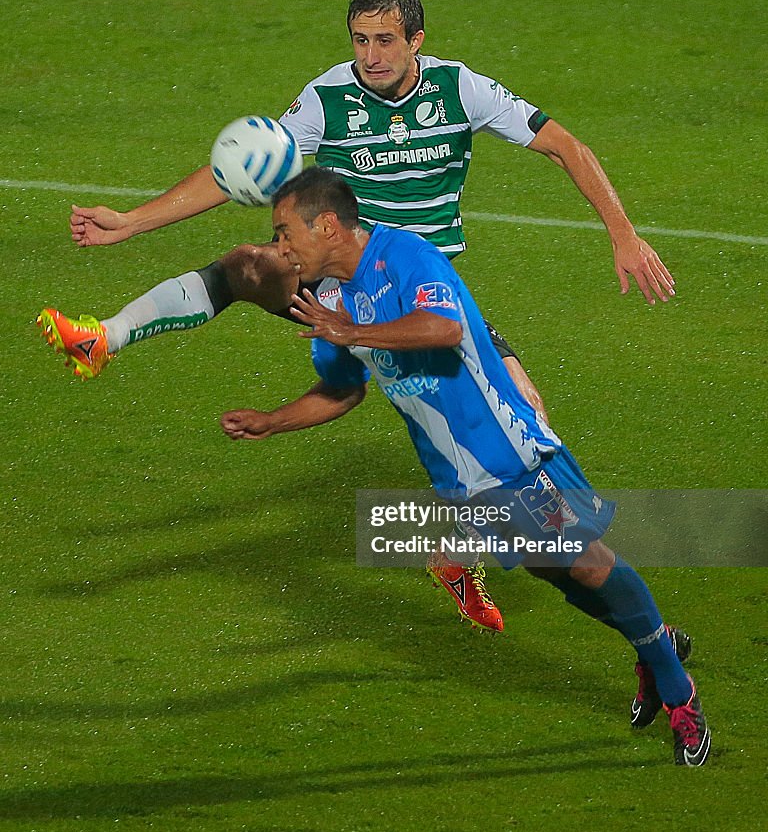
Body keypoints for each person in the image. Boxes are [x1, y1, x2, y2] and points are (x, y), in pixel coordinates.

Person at [38, 0, 675, 632]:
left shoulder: (462, 91)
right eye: (360, 41)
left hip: (419, 298)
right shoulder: (327, 97)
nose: (370, 56)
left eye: (385, 41)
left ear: (416, 41)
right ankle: (104, 338)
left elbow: (565, 144)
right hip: (334, 277)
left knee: (526, 411)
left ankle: (458, 556)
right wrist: (132, 220)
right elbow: (239, 171)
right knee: (248, 265)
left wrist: (623, 235)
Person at [218, 167, 710, 767]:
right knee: (555, 572)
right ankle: (654, 648)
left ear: (327, 225)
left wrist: (355, 330)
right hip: (458, 481)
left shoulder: (403, 253)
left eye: (284, 232)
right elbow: (344, 390)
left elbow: (444, 327)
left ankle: (679, 693)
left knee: (586, 562)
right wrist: (272, 421)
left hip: (507, 451)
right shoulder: (330, 303)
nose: (281, 247)